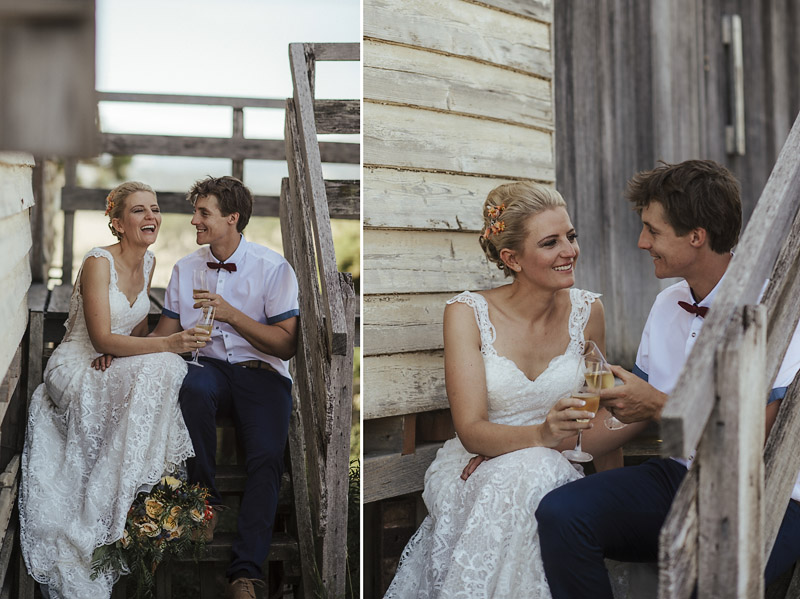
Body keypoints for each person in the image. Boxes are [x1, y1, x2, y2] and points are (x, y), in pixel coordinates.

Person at [536, 159, 800, 598]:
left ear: (696, 236)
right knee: (563, 514)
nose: (642, 243)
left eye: (653, 231)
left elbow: (762, 441)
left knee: (703, 578)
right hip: (679, 475)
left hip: (768, 496)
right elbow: (630, 415)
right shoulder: (667, 304)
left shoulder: (780, 309)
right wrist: (534, 442)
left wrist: (658, 404)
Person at [384, 181, 634, 598]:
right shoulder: (467, 313)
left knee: (537, 471)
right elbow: (471, 429)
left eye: (571, 236)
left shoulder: (590, 312)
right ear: (511, 258)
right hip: (476, 465)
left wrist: (617, 495)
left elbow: (602, 408)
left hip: (556, 469)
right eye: (551, 242)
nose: (569, 251)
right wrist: (539, 437)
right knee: (532, 471)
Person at [19, 182, 206, 599]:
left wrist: (128, 353)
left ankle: (120, 488)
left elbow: (134, 332)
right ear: (118, 223)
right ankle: (110, 496)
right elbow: (102, 338)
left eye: (155, 209)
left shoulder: (151, 260)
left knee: (164, 366)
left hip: (112, 361)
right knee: (168, 361)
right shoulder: (97, 262)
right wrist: (168, 343)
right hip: (76, 365)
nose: (150, 218)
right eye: (139, 211)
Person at [150, 176, 299, 599]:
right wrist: (116, 348)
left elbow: (286, 344)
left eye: (204, 213)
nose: (194, 220)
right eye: (196, 211)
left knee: (267, 460)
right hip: (209, 367)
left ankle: (245, 575)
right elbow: (165, 332)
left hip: (262, 373)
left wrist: (232, 315)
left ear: (232, 219)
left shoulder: (273, 268)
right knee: (191, 385)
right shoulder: (185, 267)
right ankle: (206, 502)